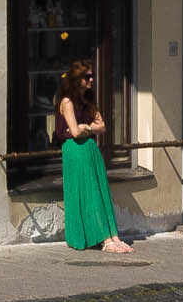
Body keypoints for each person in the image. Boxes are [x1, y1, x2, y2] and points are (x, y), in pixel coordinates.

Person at [56, 59, 134, 255]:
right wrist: (87, 128)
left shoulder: (88, 102)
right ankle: (104, 239)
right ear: (77, 79)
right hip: (75, 151)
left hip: (90, 149)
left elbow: (102, 126)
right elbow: (75, 133)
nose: (91, 79)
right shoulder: (67, 102)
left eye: (92, 76)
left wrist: (87, 127)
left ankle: (113, 236)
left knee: (100, 191)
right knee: (88, 192)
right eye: (87, 76)